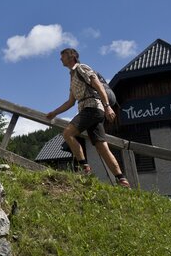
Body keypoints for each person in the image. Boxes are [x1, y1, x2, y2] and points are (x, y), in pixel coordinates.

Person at [46, 48, 131, 187]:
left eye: (62, 56)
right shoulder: (72, 76)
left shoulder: (82, 68)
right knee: (101, 146)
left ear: (71, 56)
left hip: (92, 108)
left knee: (68, 133)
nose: (60, 59)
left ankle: (84, 167)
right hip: (91, 110)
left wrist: (107, 106)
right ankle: (122, 179)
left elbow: (99, 86)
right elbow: (70, 102)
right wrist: (54, 112)